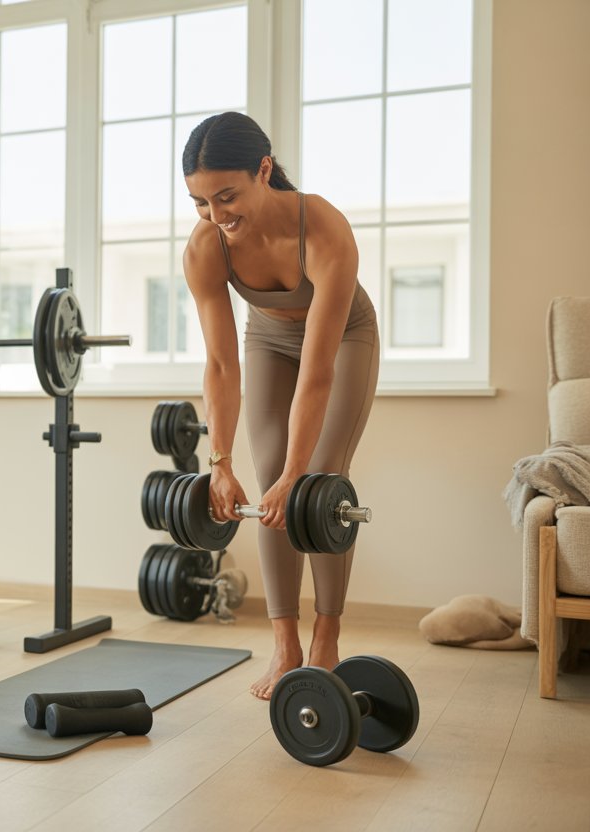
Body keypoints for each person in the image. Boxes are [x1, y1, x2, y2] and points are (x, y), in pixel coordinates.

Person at [180, 112, 380, 700]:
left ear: (264, 169)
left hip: (343, 337)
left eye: (227, 196)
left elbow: (318, 374)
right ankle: (285, 644)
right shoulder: (205, 249)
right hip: (267, 338)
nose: (217, 216)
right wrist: (219, 461)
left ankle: (327, 638)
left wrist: (299, 472)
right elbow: (220, 366)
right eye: (199, 202)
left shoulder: (323, 230)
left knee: (318, 482)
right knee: (268, 482)